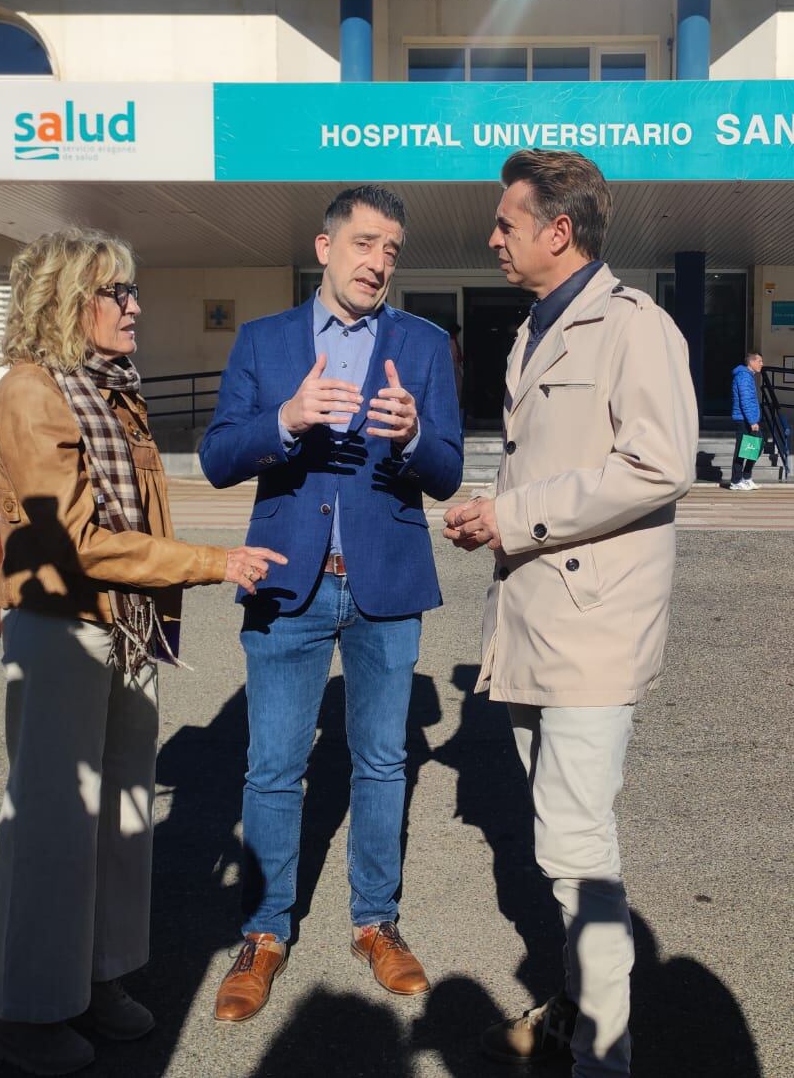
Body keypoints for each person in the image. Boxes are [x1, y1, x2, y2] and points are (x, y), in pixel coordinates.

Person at [0, 227, 286, 1077]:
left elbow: (140, 511)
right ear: (70, 301)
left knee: (120, 814)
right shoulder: (31, 392)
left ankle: (97, 978)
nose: (136, 306)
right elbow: (74, 539)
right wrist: (212, 564)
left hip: (125, 626)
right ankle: (25, 1012)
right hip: (61, 625)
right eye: (119, 292)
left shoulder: (111, 390)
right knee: (52, 821)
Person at [444, 149, 697, 1077]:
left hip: (592, 631)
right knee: (560, 848)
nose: (492, 236)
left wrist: (511, 515)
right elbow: (555, 467)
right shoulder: (532, 332)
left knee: (578, 849)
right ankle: (575, 1012)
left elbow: (659, 464)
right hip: (535, 627)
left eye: (506, 222)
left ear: (560, 230)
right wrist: (493, 509)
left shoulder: (637, 329)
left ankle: (603, 1057)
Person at [199, 185, 463, 1022]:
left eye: (391, 249)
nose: (379, 262)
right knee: (275, 765)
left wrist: (415, 436)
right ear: (325, 248)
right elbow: (215, 457)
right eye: (364, 244)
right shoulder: (264, 341)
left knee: (384, 763)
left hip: (386, 580)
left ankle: (376, 922)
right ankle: (266, 931)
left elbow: (450, 469)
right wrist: (285, 417)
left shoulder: (423, 345)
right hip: (288, 579)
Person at [729, 352, 764, 491]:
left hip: (747, 419)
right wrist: (752, 421)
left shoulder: (748, 376)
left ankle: (746, 477)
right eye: (759, 361)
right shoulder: (744, 377)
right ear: (751, 362)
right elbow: (745, 401)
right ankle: (736, 480)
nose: (762, 364)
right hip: (744, 419)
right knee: (742, 450)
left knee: (755, 447)